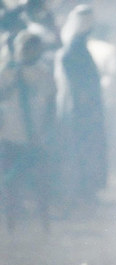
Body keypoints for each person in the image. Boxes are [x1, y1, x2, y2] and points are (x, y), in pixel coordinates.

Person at [0, 30, 55, 232]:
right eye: (26, 47)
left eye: (35, 48)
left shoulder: (44, 72)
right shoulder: (7, 71)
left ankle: (45, 226)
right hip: (11, 136)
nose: (30, 52)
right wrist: (13, 81)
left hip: (36, 138)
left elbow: (51, 103)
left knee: (41, 185)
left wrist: (47, 133)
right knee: (10, 185)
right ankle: (11, 227)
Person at [54, 4, 107, 212]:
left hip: (85, 110)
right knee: (81, 151)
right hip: (80, 112)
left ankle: (85, 191)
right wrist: (82, 97)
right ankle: (80, 192)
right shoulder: (74, 48)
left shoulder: (79, 46)